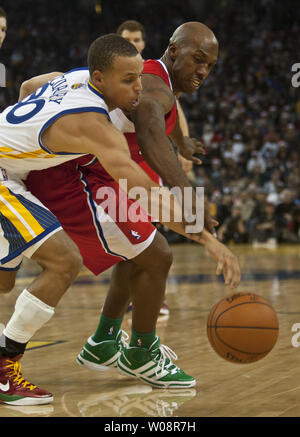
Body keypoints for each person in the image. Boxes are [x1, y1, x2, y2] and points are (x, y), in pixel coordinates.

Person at [0, 33, 219, 406]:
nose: (139, 89)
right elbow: (146, 193)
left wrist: (28, 139)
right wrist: (208, 239)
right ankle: (6, 367)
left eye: (139, 78)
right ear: (100, 79)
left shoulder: (73, 77)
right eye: (129, 81)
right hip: (5, 177)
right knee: (64, 260)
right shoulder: (96, 124)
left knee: (5, 283)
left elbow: (27, 85)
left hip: (12, 173)